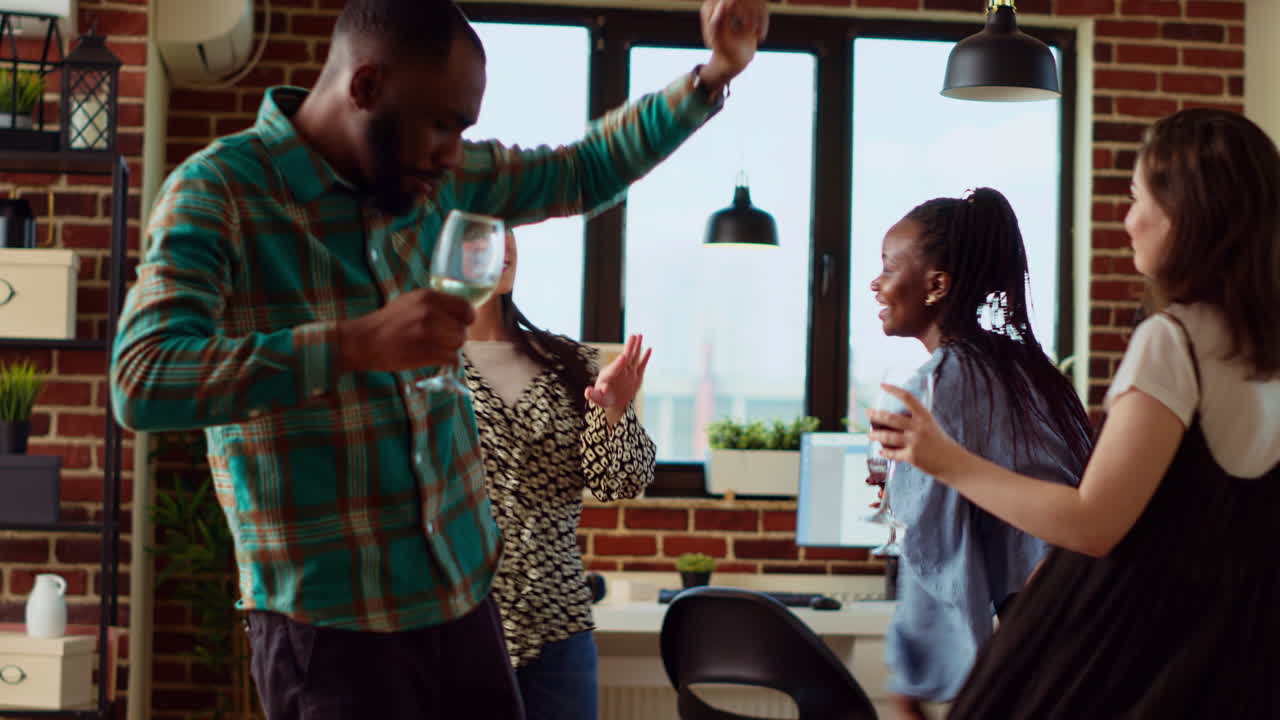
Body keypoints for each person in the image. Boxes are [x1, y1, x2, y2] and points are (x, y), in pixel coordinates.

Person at [109, 0, 768, 717]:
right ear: (364, 89)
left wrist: (711, 76)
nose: (454, 153)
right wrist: (355, 343)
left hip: (463, 603)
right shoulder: (219, 193)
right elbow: (143, 377)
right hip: (332, 633)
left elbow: (579, 170)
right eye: (443, 124)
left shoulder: (430, 179)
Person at [872, 108, 1280, 718]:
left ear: (1189, 216)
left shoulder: (1174, 343)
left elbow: (1092, 525)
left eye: (1138, 198)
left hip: (1123, 656)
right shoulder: (1262, 355)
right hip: (1237, 657)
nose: (1128, 219)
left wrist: (943, 461)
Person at [867, 187, 1094, 719]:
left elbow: (932, 543)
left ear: (936, 286)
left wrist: (912, 681)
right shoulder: (1034, 374)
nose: (875, 283)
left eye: (887, 267)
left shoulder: (939, 382)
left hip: (1045, 627)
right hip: (1097, 616)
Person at [463, 229, 655, 720]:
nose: (503, 243)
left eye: (507, 229)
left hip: (558, 623)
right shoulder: (416, 367)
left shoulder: (572, 362)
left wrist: (613, 413)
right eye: (480, 231)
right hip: (458, 625)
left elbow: (620, 483)